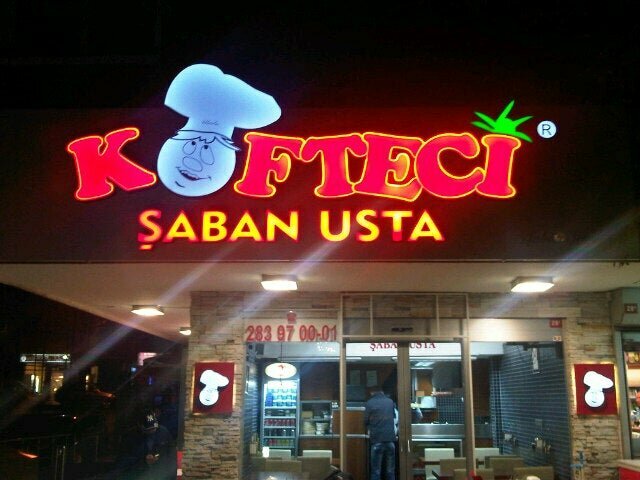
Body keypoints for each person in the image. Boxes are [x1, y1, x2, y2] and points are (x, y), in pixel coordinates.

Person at [105, 409, 177, 480]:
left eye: (154, 428)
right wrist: (143, 460)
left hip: (160, 473)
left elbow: (171, 453)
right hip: (139, 474)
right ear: (139, 425)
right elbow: (123, 461)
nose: (152, 430)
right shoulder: (130, 437)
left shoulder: (163, 432)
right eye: (149, 429)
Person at [364, 387, 397, 480]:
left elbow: (365, 420)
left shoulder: (369, 403)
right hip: (390, 440)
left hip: (377, 440)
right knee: (390, 471)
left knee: (376, 471)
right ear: (382, 392)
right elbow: (394, 417)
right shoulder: (390, 402)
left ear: (372, 392)